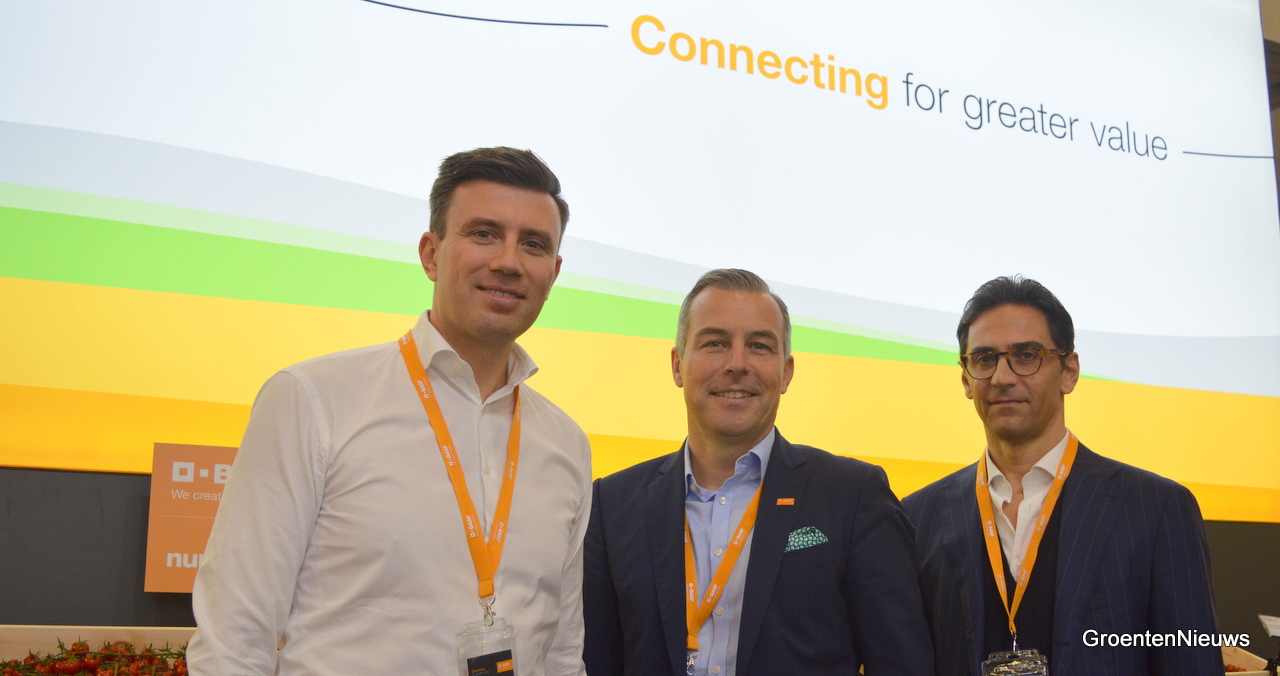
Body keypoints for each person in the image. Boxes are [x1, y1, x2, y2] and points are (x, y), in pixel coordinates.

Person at [188, 147, 592, 675]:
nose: (508, 262)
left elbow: (561, 653)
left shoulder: (566, 443)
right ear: (431, 254)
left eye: (533, 244)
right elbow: (233, 640)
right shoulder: (312, 400)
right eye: (484, 233)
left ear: (553, 272)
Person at [583, 268, 933, 676]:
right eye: (715, 343)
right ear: (678, 365)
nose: (737, 364)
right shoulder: (612, 505)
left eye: (759, 346)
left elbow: (901, 663)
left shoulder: (854, 496)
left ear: (786, 372)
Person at [902, 275, 1219, 676]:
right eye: (984, 359)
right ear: (966, 379)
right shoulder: (917, 516)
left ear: (1069, 371)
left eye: (1026, 355)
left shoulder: (1156, 509)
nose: (1002, 377)